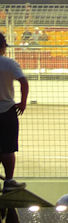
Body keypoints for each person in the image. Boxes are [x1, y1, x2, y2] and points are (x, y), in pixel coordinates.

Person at [0, 32, 28, 192]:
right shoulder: (9, 63)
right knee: (8, 148)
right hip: (7, 109)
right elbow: (23, 82)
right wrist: (23, 102)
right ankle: (9, 181)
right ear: (3, 46)